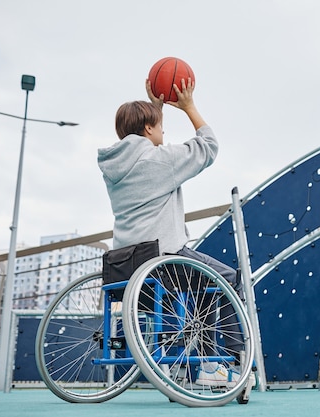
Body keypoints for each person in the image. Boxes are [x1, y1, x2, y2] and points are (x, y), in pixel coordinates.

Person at [97, 77, 244, 386]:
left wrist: (156, 109)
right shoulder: (159, 160)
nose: (163, 131)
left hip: (126, 267)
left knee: (202, 281)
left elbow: (149, 148)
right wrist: (188, 106)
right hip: (165, 260)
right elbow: (209, 146)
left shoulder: (112, 166)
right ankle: (224, 362)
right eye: (159, 126)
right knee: (226, 278)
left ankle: (194, 361)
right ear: (148, 130)